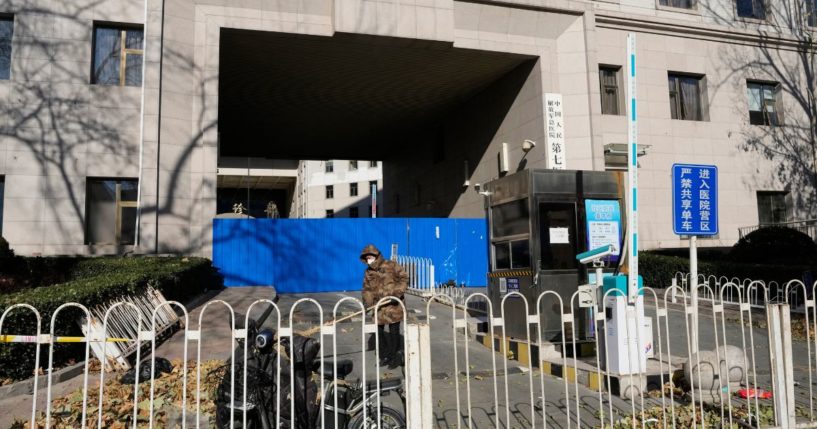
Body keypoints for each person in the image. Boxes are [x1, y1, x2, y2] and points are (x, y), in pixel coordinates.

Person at [360, 244, 409, 369]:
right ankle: (385, 356)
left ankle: (395, 357)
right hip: (379, 307)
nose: (369, 260)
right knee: (379, 333)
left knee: (394, 332)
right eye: (367, 258)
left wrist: (397, 292)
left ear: (377, 255)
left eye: (371, 257)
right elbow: (367, 289)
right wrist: (368, 303)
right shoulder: (368, 272)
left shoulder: (391, 265)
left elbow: (404, 277)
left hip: (393, 305)